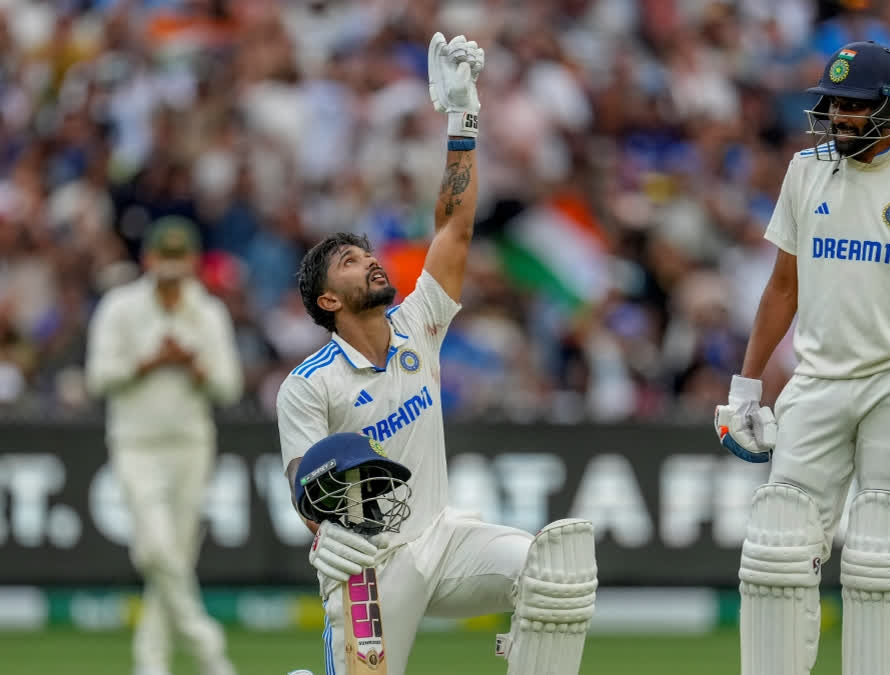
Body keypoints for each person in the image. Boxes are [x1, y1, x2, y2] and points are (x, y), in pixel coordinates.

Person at [274, 33, 597, 675]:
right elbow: (300, 481)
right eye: (349, 261)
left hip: (444, 538)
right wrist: (324, 531)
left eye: (365, 253)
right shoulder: (309, 386)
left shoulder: (418, 321)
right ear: (327, 301)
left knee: (554, 572)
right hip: (371, 562)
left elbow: (454, 227)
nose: (368, 262)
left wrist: (462, 118)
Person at [714, 41, 890, 675]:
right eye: (834, 104)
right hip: (817, 379)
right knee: (777, 544)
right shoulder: (805, 169)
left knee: (881, 549)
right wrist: (746, 386)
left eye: (854, 107)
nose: (839, 117)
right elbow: (782, 286)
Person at [85, 216, 243, 675]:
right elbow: (98, 377)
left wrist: (197, 369)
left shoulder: (207, 312)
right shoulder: (120, 308)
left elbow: (228, 386)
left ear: (193, 261)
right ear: (148, 258)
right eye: (164, 257)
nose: (172, 267)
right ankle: (208, 645)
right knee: (155, 550)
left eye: (180, 258)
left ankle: (150, 666)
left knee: (172, 557)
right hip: (136, 443)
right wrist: (148, 362)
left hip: (191, 444)